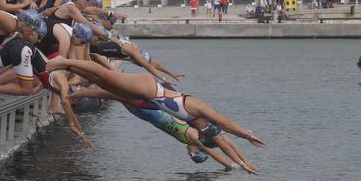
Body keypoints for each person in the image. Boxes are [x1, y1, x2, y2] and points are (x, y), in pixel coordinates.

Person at [46, 57, 267, 149]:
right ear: (206, 128)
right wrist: (247, 135)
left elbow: (223, 132)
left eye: (201, 136)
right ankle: (65, 61)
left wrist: (242, 146)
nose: (198, 134)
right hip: (149, 89)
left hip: (145, 96)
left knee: (104, 84)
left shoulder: (193, 122)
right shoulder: (200, 110)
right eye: (202, 134)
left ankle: (69, 70)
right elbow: (226, 123)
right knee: (106, 76)